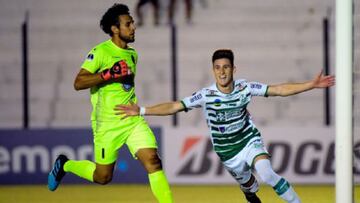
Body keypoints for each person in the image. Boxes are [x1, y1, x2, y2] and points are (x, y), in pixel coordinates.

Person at [115, 49, 336, 203]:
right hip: (227, 152)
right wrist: (142, 110)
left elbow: (277, 89)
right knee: (250, 188)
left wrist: (311, 85)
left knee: (266, 173)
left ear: (234, 69)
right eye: (217, 68)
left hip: (249, 140)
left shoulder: (245, 87)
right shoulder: (206, 95)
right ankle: (250, 196)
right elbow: (175, 105)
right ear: (213, 70)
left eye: (226, 67)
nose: (222, 72)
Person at [47, 4, 173, 203]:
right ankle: (65, 165)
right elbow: (78, 83)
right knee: (103, 177)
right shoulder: (100, 52)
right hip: (106, 124)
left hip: (132, 119)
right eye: (128, 24)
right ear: (115, 29)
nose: (133, 27)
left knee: (153, 161)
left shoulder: (133, 54)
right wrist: (107, 74)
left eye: (132, 23)